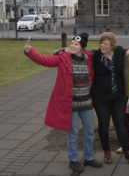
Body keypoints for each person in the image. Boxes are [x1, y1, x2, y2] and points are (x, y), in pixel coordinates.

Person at [24, 33, 102, 174]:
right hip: (70, 104)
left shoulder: (89, 58)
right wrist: (30, 52)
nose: (72, 46)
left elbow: (105, 53)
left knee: (89, 131)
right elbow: (45, 60)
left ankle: (89, 157)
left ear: (82, 48)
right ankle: (73, 160)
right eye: (72, 43)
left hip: (86, 103)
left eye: (76, 44)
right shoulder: (63, 58)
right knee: (72, 133)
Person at [91, 32, 129, 164]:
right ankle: (106, 151)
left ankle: (126, 149)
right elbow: (82, 53)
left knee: (120, 123)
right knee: (104, 125)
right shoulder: (95, 56)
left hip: (117, 96)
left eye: (106, 44)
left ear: (112, 45)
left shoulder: (118, 52)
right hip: (101, 98)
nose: (102, 46)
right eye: (101, 43)